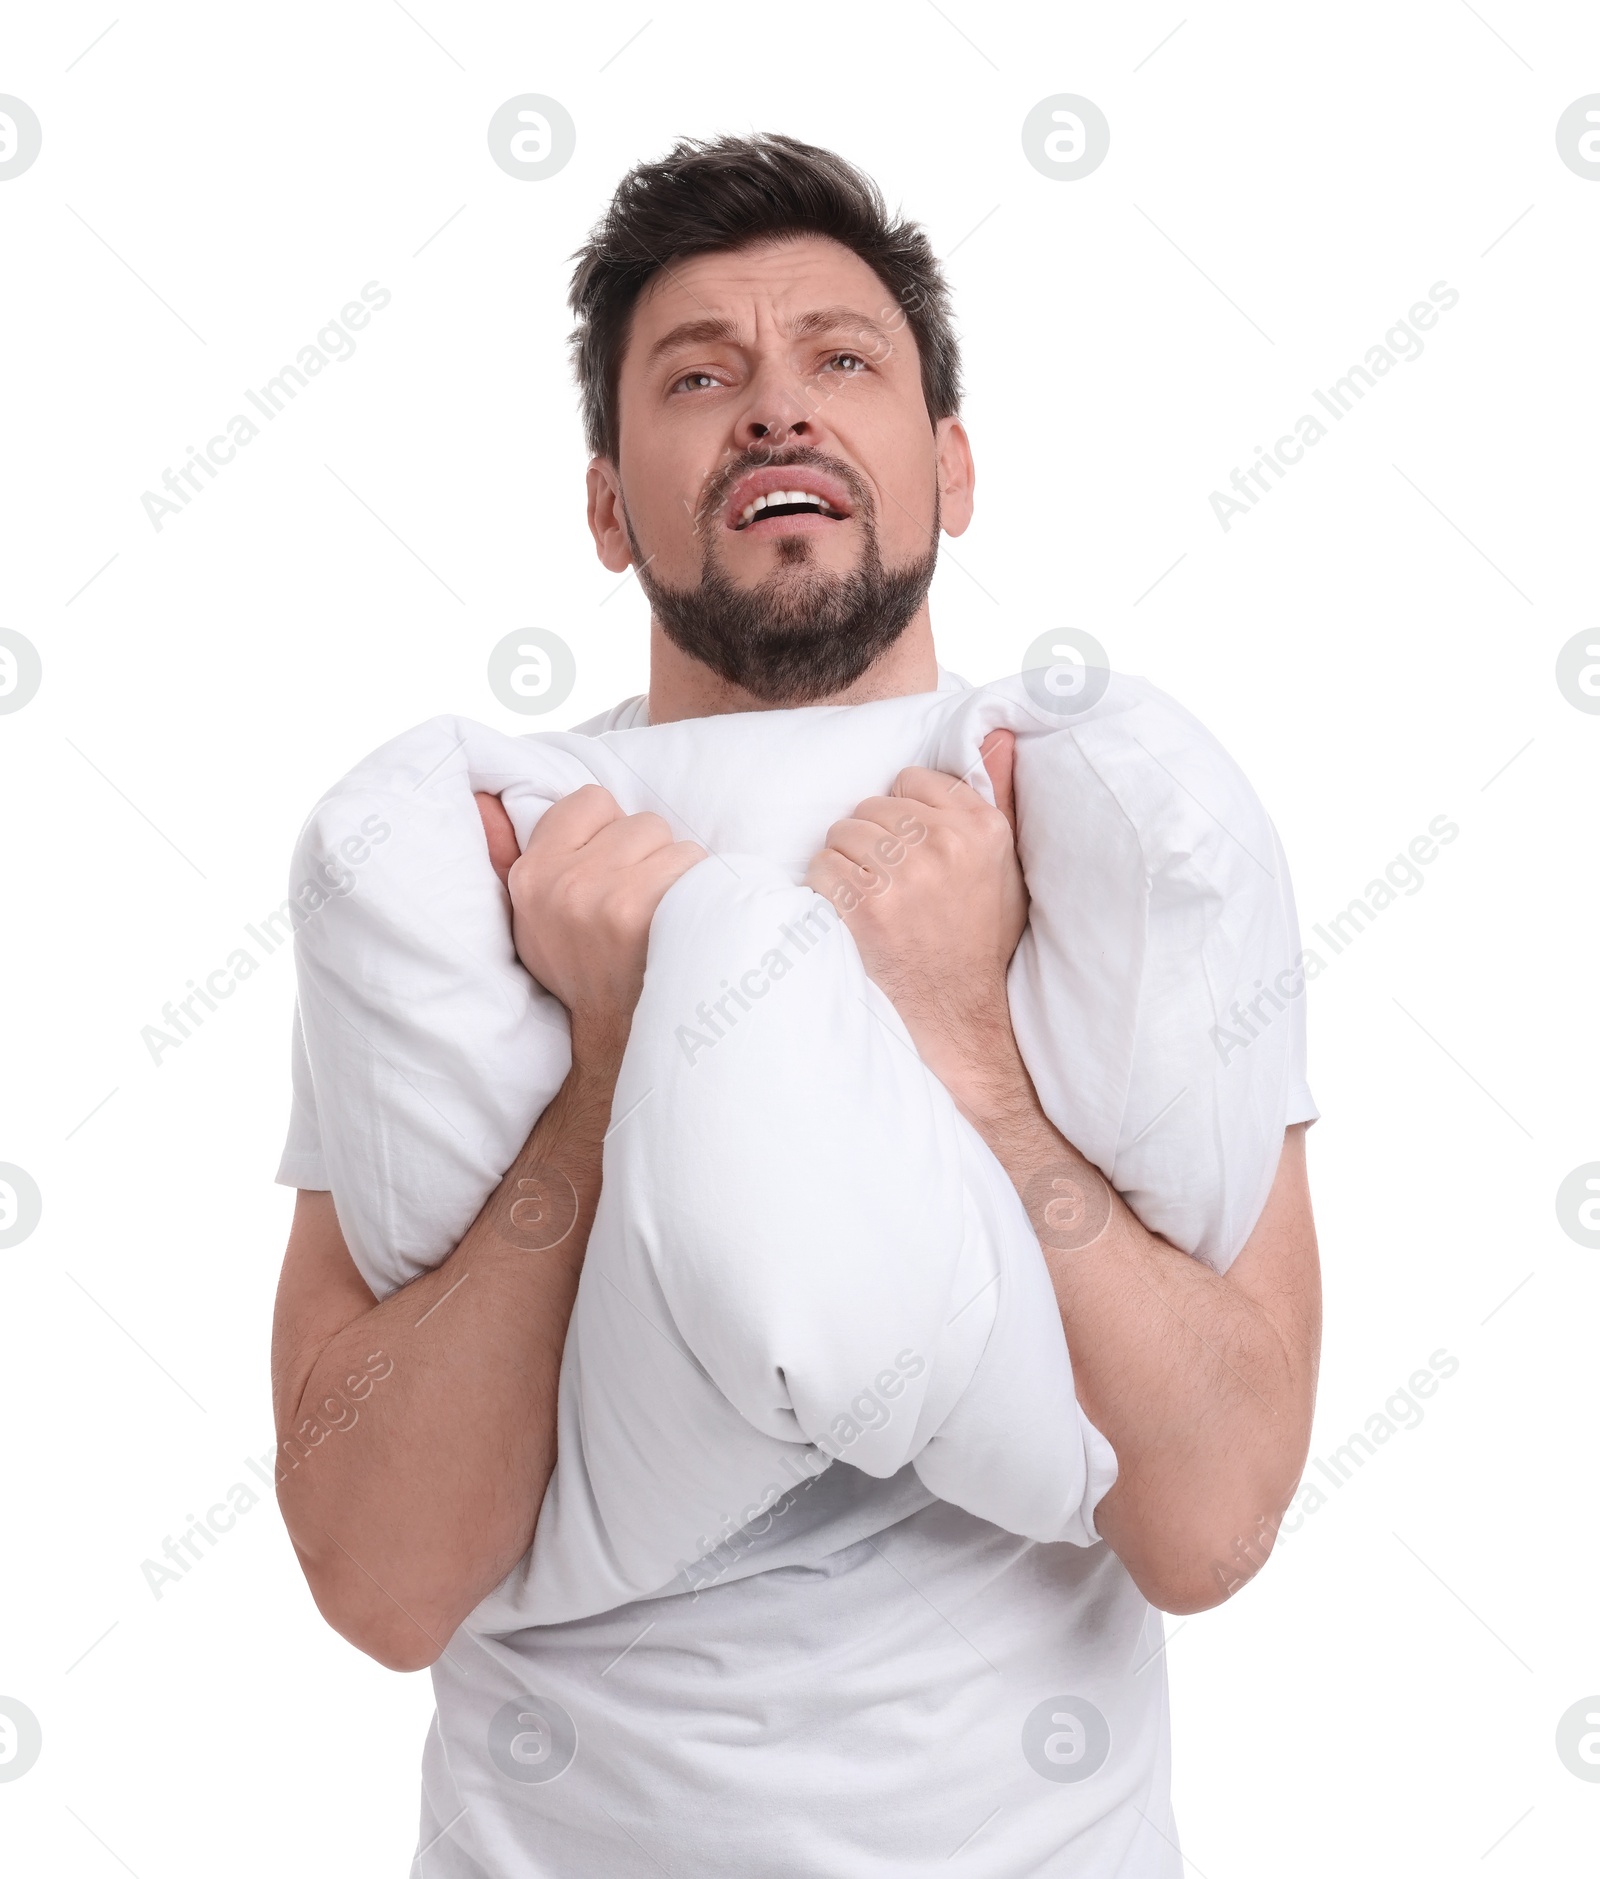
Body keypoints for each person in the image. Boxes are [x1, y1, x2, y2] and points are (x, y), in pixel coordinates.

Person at [269, 132, 1320, 1876]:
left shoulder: (1101, 821)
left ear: (949, 464)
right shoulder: (478, 869)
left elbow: (1210, 1523)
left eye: (844, 359)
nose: (777, 409)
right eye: (700, 376)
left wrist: (968, 1048)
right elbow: (378, 1581)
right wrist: (609, 1066)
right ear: (608, 505)